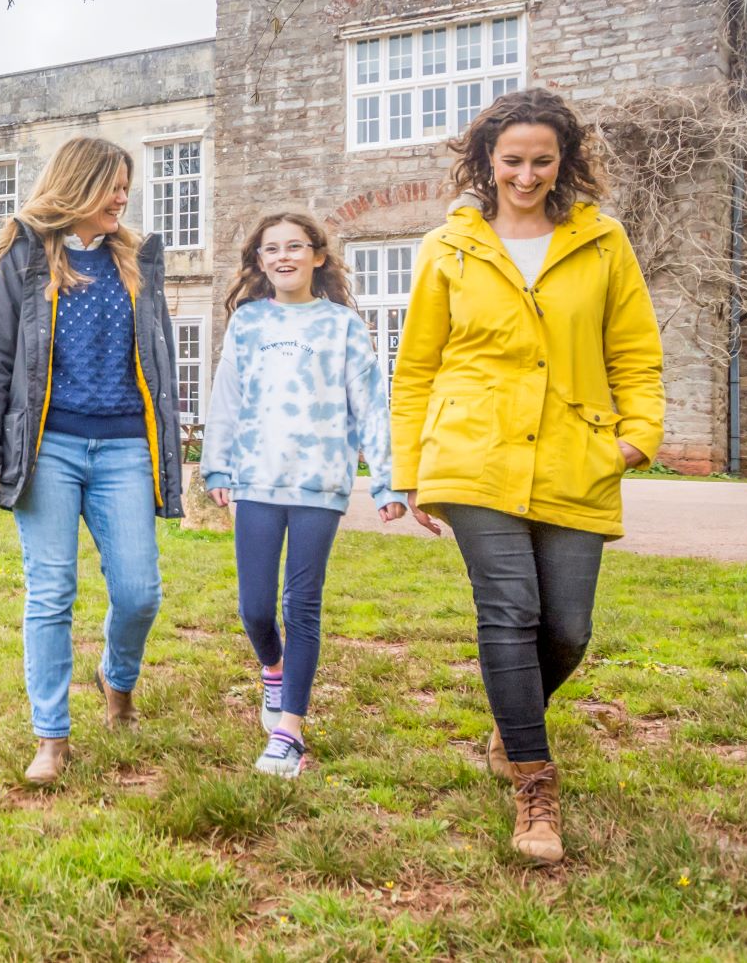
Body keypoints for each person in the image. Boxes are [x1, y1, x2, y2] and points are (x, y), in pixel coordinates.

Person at [390, 87, 664, 865]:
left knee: (568, 627)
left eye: (543, 160)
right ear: (486, 159)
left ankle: (511, 724)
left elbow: (636, 351)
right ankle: (535, 786)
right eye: (512, 160)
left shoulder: (603, 241)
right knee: (508, 609)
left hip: (578, 453)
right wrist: (410, 466)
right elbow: (415, 367)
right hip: (473, 454)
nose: (527, 174)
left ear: (564, 160)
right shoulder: (447, 247)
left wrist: (635, 438)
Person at [0, 137, 184, 786]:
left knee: (140, 592)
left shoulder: (139, 260)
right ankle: (51, 737)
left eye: (126, 186)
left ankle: (115, 679)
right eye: (113, 185)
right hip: (47, 448)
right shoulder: (26, 256)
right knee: (51, 591)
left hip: (123, 449)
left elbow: (162, 364)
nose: (123, 196)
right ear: (79, 186)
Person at [199, 210, 407, 778]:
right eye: (272, 249)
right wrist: (216, 468)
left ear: (318, 256)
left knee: (302, 605)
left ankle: (289, 730)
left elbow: (370, 406)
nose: (284, 256)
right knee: (255, 608)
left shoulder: (342, 325)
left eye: (296, 246)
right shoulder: (247, 323)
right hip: (257, 482)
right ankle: (273, 667)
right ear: (260, 262)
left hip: (321, 483)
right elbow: (226, 399)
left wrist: (387, 481)